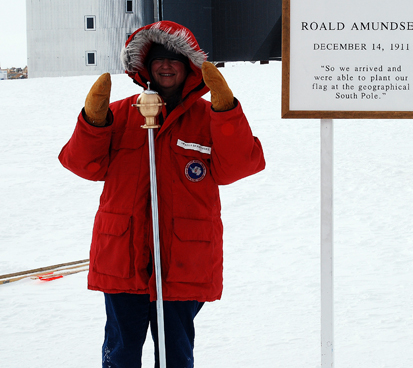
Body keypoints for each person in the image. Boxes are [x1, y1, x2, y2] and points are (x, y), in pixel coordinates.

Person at [59, 21, 266, 368]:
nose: (166, 66)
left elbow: (238, 166)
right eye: (158, 59)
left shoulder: (208, 116)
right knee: (121, 351)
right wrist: (94, 123)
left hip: (183, 258)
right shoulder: (122, 114)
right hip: (123, 255)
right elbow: (83, 165)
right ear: (146, 66)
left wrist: (226, 111)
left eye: (175, 59)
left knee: (175, 355)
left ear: (189, 67)